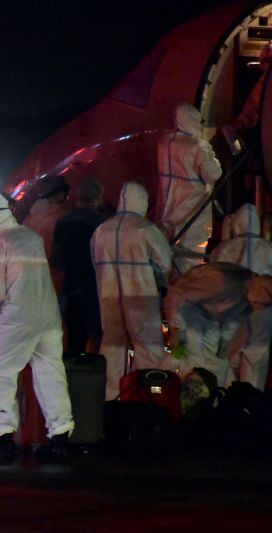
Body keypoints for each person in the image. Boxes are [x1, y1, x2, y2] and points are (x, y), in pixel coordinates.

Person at [0, 191, 74, 462]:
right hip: (48, 317)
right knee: (50, 375)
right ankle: (60, 435)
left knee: (0, 371)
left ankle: (1, 436)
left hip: (17, 319)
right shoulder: (31, 236)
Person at [91, 181, 172, 400]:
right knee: (148, 347)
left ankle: (110, 398)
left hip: (108, 297)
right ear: (143, 202)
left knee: (113, 346)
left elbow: (93, 262)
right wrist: (159, 281)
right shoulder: (145, 228)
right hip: (140, 297)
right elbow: (165, 262)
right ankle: (148, 396)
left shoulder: (101, 230)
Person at [161, 262, 272, 389]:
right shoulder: (220, 282)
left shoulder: (248, 293)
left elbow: (235, 317)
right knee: (189, 354)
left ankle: (209, 397)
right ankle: (166, 391)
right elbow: (178, 296)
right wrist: (177, 329)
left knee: (217, 360)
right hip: (187, 312)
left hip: (208, 317)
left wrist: (225, 341)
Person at [209, 203, 272, 389]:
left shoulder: (222, 249)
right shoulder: (267, 248)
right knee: (255, 356)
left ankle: (228, 398)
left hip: (231, 309)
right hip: (262, 310)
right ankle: (250, 401)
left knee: (230, 356)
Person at [156, 102, 222, 274]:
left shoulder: (165, 143)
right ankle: (188, 295)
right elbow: (213, 174)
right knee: (190, 261)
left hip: (167, 211)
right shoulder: (197, 147)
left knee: (166, 258)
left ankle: (168, 295)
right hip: (192, 213)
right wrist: (211, 153)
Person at [52, 179, 107, 355]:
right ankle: (96, 376)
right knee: (98, 339)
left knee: (74, 338)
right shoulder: (102, 223)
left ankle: (74, 377)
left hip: (70, 285)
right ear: (98, 198)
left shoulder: (63, 222)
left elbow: (56, 257)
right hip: (94, 287)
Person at [22, 175, 70, 294]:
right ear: (59, 195)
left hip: (30, 283)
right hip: (55, 283)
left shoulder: (27, 220)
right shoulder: (63, 218)